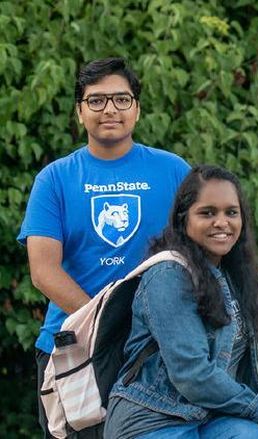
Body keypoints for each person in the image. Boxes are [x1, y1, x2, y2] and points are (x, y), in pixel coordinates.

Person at [17, 57, 191, 438]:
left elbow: (197, 254)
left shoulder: (174, 171)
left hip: (153, 347)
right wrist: (106, 325)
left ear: (137, 109)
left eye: (121, 99)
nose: (110, 109)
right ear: (80, 112)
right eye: (96, 100)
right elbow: (43, 271)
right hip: (73, 347)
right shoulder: (55, 179)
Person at [103, 165, 258, 439]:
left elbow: (236, 300)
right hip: (153, 419)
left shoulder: (224, 272)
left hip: (205, 417)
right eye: (207, 213)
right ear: (184, 219)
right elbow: (191, 373)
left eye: (231, 212)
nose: (222, 222)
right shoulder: (167, 276)